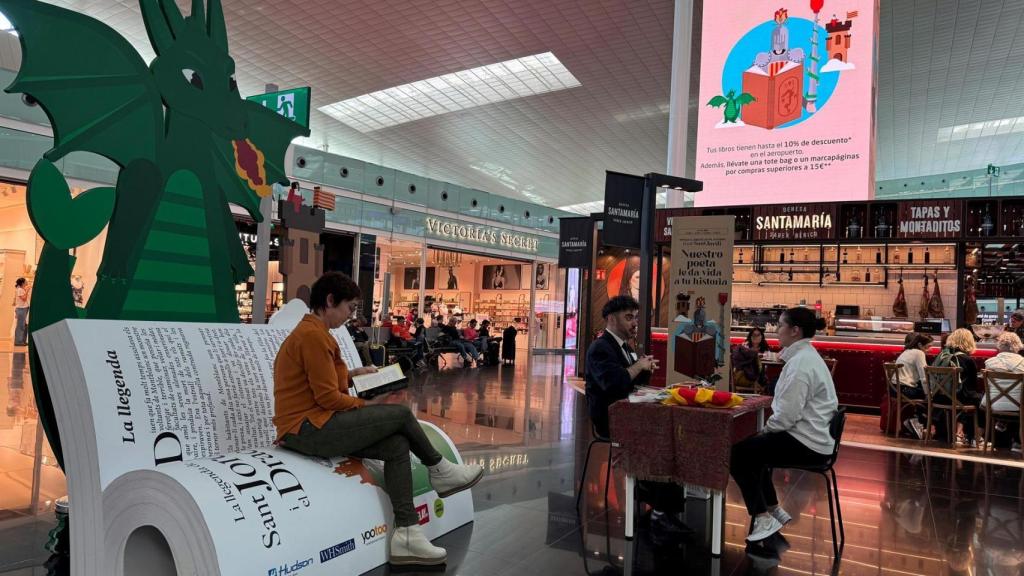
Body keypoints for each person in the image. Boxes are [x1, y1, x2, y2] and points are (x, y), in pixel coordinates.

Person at [273, 272, 483, 566]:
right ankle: (440, 470)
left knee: (397, 445)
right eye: (349, 308)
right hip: (308, 428)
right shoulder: (312, 336)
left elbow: (320, 383)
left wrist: (353, 375)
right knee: (399, 414)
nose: (350, 316)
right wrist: (366, 404)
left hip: (312, 424)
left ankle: (407, 534)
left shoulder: (314, 334)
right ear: (330, 301)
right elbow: (328, 399)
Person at [730, 307, 838, 542]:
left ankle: (762, 517)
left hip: (808, 444)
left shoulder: (800, 364)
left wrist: (766, 431)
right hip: (816, 439)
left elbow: (787, 416)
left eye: (780, 325)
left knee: (738, 455)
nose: (776, 330)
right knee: (754, 450)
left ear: (795, 330)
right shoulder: (807, 357)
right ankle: (772, 509)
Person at [586, 295, 690, 537]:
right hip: (611, 420)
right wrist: (637, 367)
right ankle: (661, 511)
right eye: (628, 317)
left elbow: (629, 383)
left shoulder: (624, 346)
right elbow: (614, 384)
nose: (634, 323)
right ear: (611, 319)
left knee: (671, 436)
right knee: (664, 443)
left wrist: (643, 369)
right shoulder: (600, 348)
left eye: (635, 317)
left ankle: (660, 508)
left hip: (629, 414)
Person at [931, 328, 982, 446]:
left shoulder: (942, 356)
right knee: (981, 399)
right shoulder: (967, 359)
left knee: (969, 396)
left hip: (939, 397)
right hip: (957, 398)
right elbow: (972, 386)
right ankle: (973, 436)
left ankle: (935, 429)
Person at [981, 332, 1024, 452]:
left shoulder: (989, 362)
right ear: (1018, 345)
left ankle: (1000, 427)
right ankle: (1019, 442)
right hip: (1018, 406)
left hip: (993, 404)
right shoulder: (1022, 364)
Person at [893, 332, 934, 439]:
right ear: (920, 345)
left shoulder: (907, 351)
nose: (930, 349)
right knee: (934, 397)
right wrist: (928, 394)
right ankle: (917, 423)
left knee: (925, 394)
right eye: (929, 346)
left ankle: (915, 421)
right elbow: (924, 376)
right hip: (905, 389)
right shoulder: (919, 353)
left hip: (895, 388)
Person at [12, 278, 28, 347]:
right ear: (22, 283)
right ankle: (18, 342)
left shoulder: (21, 289)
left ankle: (22, 341)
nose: (27, 281)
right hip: (21, 309)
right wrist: (27, 291)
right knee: (20, 326)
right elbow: (24, 299)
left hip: (23, 309)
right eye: (25, 281)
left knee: (24, 326)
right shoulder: (20, 290)